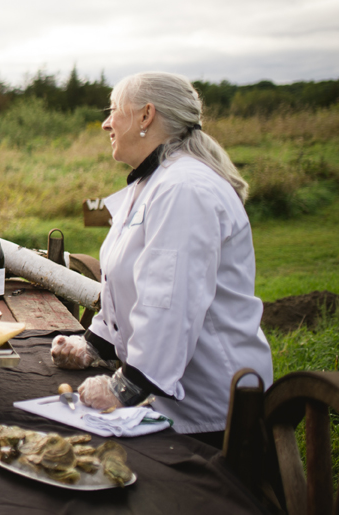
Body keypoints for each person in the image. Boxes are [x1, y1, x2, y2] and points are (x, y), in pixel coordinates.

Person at [50, 71, 273, 445]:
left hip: (208, 413)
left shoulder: (184, 189)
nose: (106, 123)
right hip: (168, 397)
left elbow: (168, 300)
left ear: (146, 116)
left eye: (113, 110)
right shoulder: (153, 183)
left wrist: (124, 388)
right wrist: (93, 344)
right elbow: (125, 282)